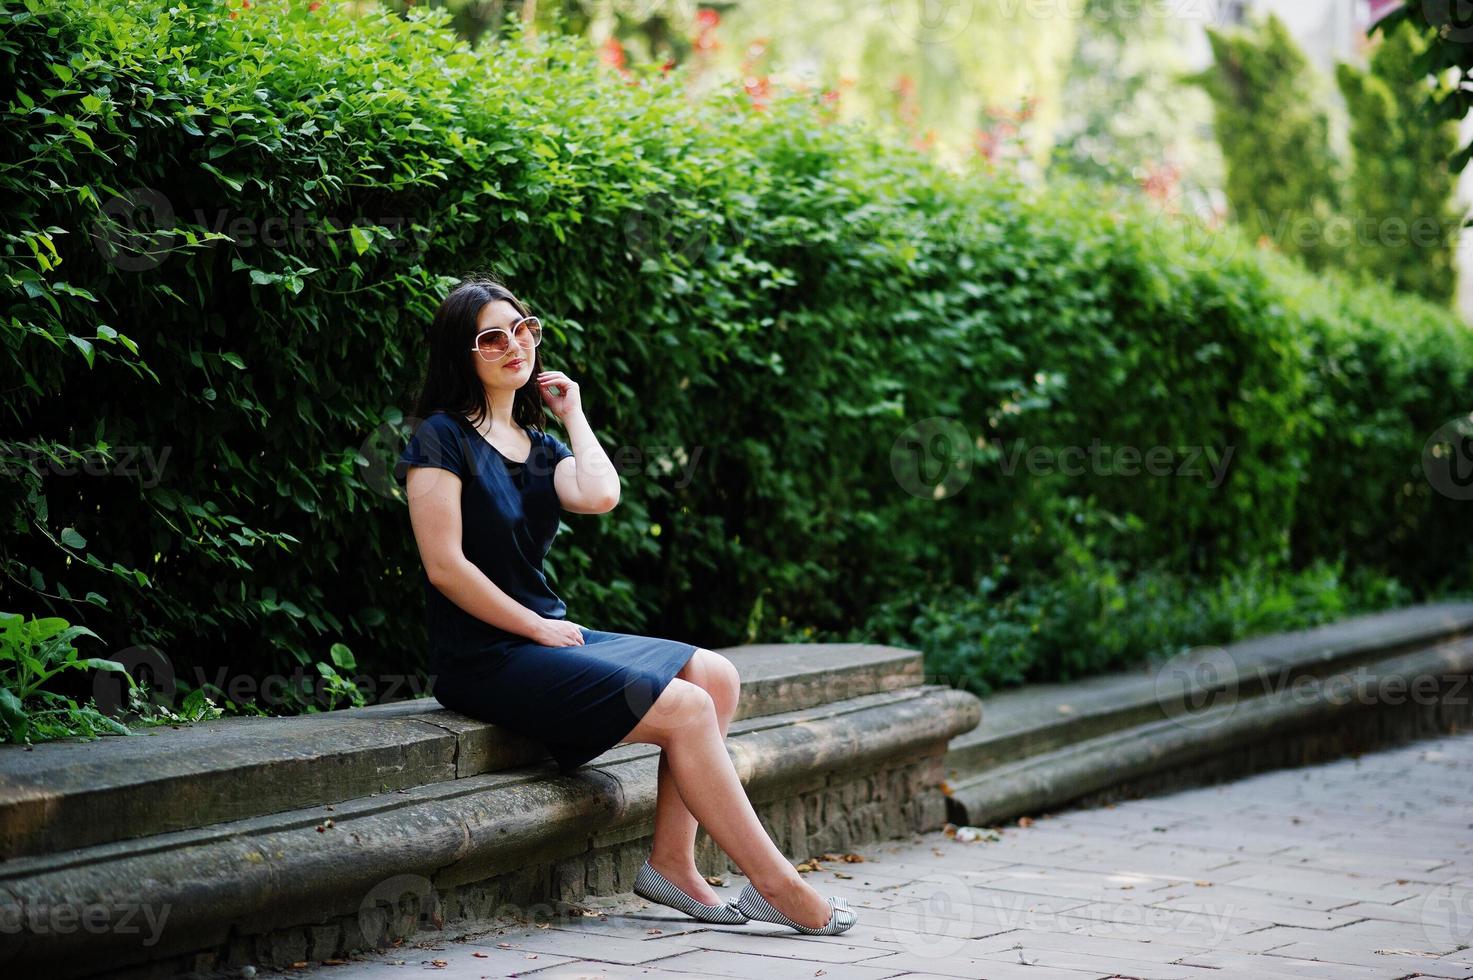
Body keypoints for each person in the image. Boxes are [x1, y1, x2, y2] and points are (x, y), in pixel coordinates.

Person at [394, 276, 856, 936]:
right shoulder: (439, 438)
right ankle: (776, 884)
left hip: (544, 634)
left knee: (715, 676)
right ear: (461, 355)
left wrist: (571, 413)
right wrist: (535, 627)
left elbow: (600, 493)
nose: (513, 346)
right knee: (687, 706)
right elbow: (445, 567)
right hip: (486, 655)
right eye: (491, 338)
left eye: (523, 329)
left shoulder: (537, 443)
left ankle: (672, 864)